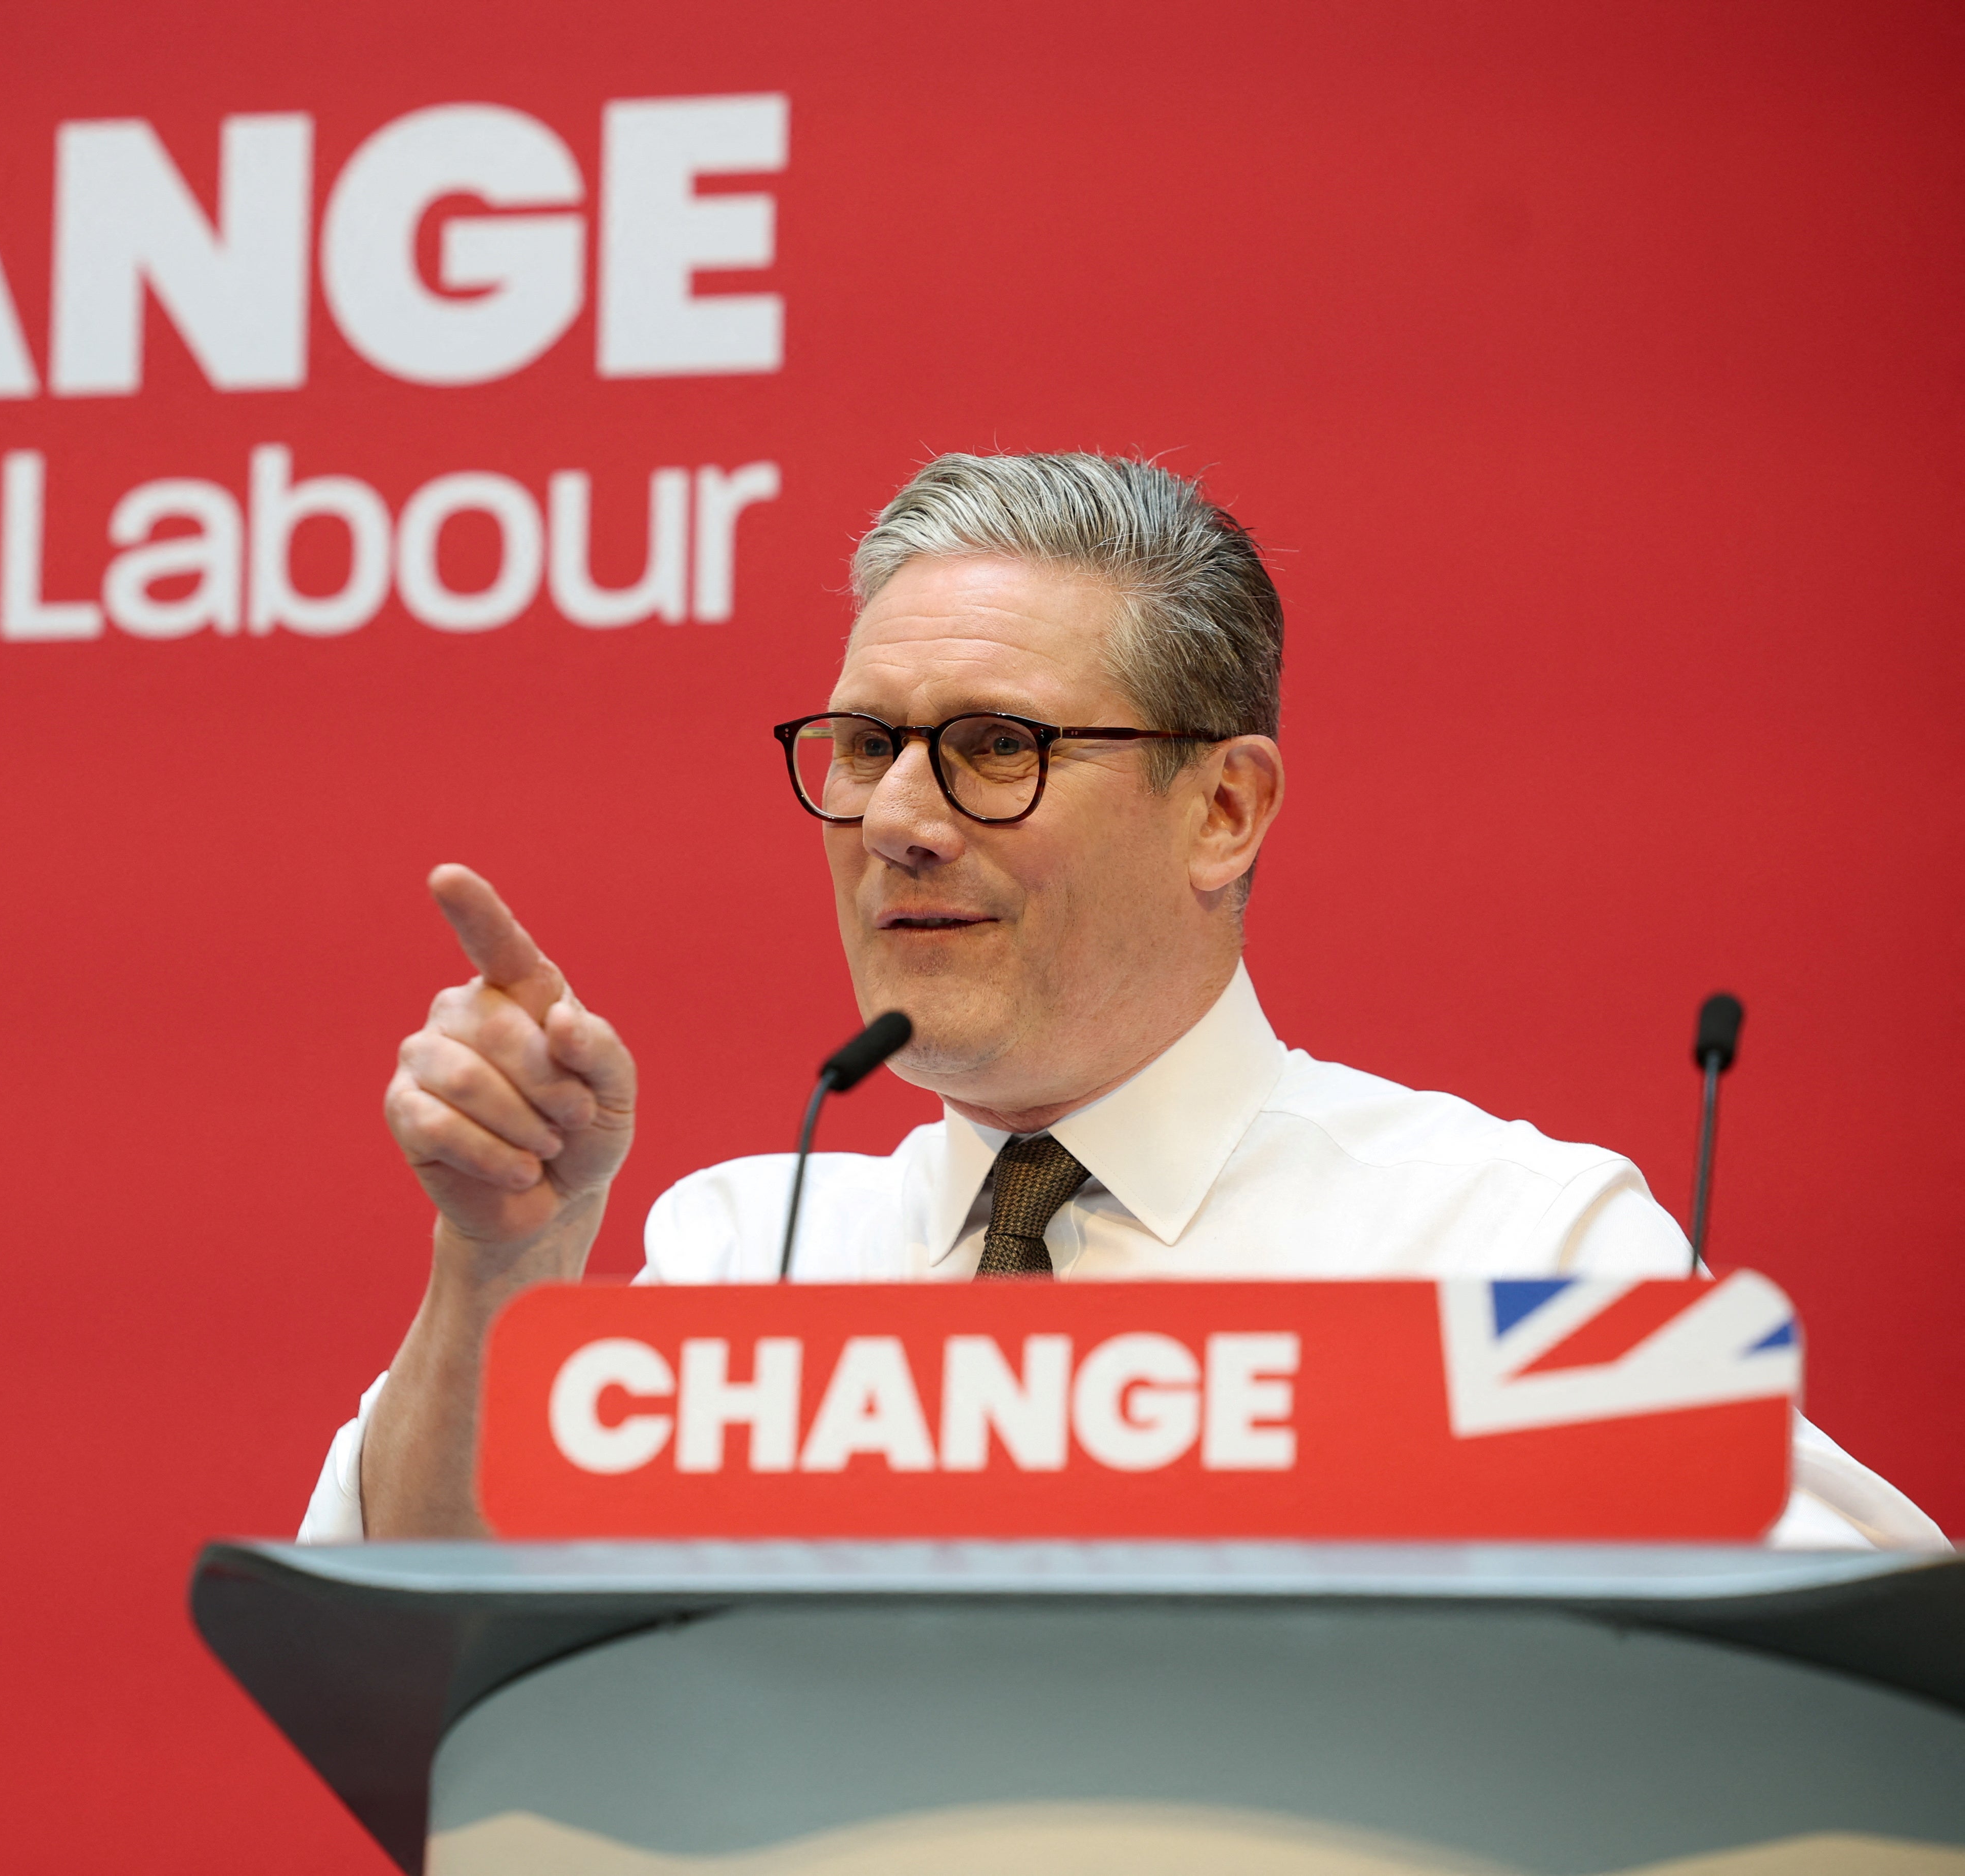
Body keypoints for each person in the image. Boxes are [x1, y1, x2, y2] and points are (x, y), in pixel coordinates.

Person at [299, 451, 1940, 1550]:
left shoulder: (1501, 1240)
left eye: (996, 746)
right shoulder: (745, 1263)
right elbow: (439, 1647)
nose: (894, 816)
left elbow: (1860, 1700)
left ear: (1221, 810)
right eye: (865, 745)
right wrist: (506, 1250)